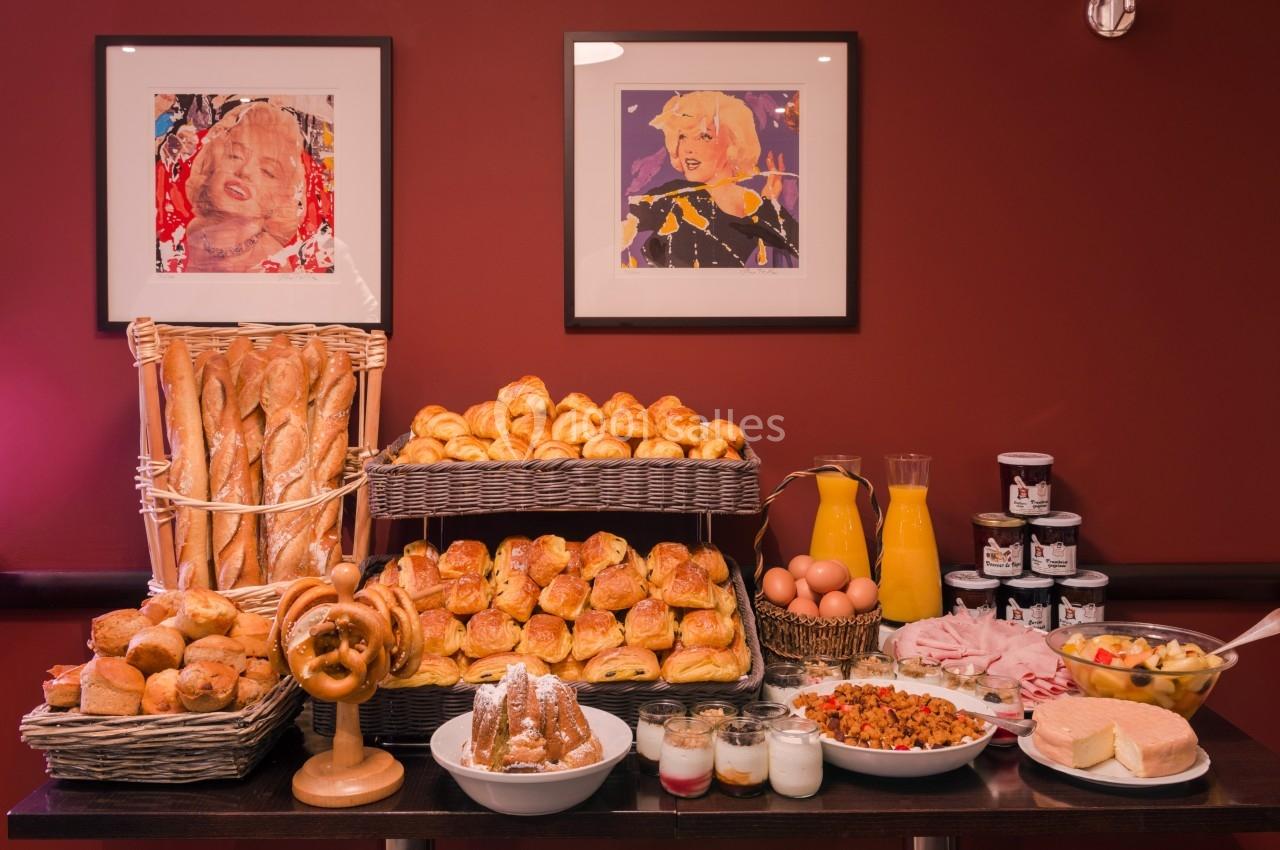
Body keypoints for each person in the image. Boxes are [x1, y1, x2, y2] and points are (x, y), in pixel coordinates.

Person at [621, 91, 798, 269]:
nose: (687, 148)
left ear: (734, 142)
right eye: (682, 136)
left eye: (704, 136)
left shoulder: (755, 206)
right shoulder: (673, 196)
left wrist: (770, 205)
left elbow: (809, 254)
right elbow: (613, 230)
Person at [182, 102, 308, 273]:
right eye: (235, 155)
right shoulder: (189, 235)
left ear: (283, 196)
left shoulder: (272, 265)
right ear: (212, 163)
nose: (245, 171)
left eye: (267, 171)